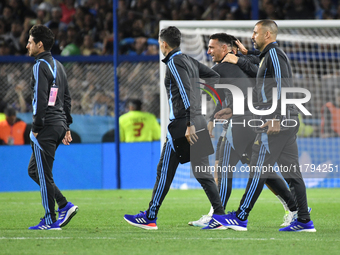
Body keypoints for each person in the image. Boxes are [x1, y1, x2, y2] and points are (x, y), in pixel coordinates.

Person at [211, 20, 316, 232]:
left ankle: (240, 217)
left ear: (267, 35)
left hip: (276, 122)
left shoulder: (275, 56)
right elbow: (259, 80)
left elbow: (281, 85)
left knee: (258, 170)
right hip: (284, 121)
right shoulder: (267, 57)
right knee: (292, 173)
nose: (252, 36)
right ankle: (304, 220)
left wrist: (278, 117)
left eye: (255, 32)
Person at [188, 33, 297, 229]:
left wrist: (210, 120)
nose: (208, 51)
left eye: (213, 47)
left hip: (239, 124)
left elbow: (214, 96)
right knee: (261, 170)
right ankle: (294, 207)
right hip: (255, 122)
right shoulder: (251, 64)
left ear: (226, 49)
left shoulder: (221, 68)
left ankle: (217, 216)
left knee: (222, 168)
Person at [124, 26, 227, 230]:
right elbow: (214, 78)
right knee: (202, 173)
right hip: (196, 120)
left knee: (164, 171)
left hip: (183, 124)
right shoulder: (189, 60)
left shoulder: (174, 62)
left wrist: (188, 123)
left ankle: (150, 216)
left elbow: (186, 92)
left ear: (163, 44)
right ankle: (221, 217)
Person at [26, 24, 78, 230]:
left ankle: (50, 219)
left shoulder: (39, 66)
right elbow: (66, 98)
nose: (27, 45)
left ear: (40, 44)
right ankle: (64, 204)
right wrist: (66, 126)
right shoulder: (59, 66)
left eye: (30, 41)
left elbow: (40, 98)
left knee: (44, 173)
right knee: (35, 170)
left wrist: (36, 126)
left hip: (46, 126)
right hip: (58, 125)